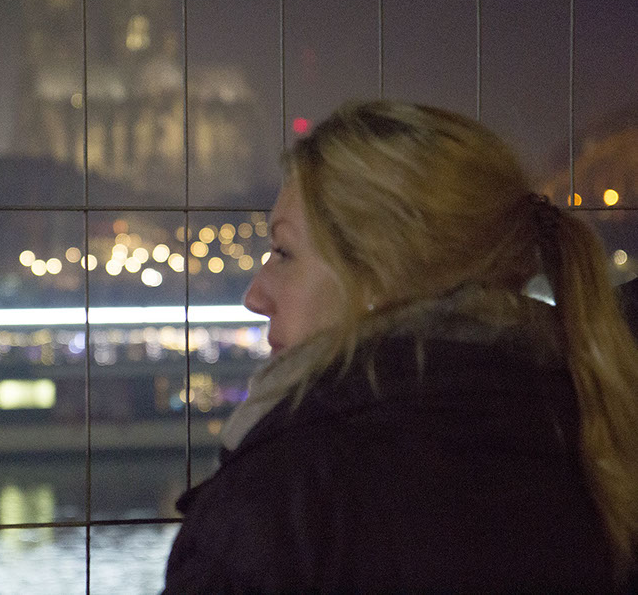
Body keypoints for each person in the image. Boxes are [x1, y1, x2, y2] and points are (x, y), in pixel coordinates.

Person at [163, 101, 638, 592]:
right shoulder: (594, 440)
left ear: (378, 275)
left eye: (283, 252)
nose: (255, 296)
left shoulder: (285, 501)